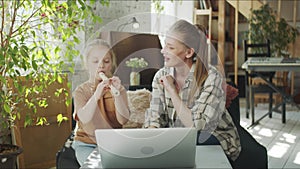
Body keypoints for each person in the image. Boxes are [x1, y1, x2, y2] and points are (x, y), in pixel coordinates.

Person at [144, 19, 241, 163]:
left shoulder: (211, 77)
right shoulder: (160, 76)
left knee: (196, 141)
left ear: (188, 52)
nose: (163, 51)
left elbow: (197, 127)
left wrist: (171, 90)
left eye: (170, 47)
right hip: (182, 141)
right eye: (165, 45)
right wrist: (149, 141)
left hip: (215, 139)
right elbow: (155, 119)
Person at [72, 39, 130, 166]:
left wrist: (118, 94)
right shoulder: (81, 91)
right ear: (87, 64)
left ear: (111, 64)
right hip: (86, 145)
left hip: (113, 144)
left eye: (106, 61)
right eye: (95, 61)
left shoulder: (118, 89)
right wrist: (97, 94)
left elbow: (123, 120)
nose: (101, 65)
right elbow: (84, 118)